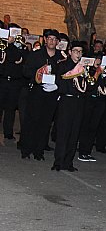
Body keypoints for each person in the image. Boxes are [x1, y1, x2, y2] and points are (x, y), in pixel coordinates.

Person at [21, 29, 64, 161]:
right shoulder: (36, 55)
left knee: (45, 123)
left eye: (54, 39)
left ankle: (39, 151)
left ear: (57, 42)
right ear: (45, 40)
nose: (51, 41)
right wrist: (38, 76)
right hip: (37, 92)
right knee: (31, 121)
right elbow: (26, 71)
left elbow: (64, 75)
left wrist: (56, 85)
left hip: (51, 94)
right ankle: (26, 150)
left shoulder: (61, 58)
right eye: (49, 38)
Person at [52, 41, 87, 172]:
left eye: (80, 51)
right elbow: (59, 82)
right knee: (63, 132)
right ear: (70, 52)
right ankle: (58, 162)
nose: (78, 54)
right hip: (66, 100)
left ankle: (68, 162)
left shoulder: (84, 67)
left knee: (74, 133)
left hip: (79, 102)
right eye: (76, 51)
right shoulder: (63, 65)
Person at [0, 29, 26, 141]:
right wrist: (8, 44)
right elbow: (9, 58)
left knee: (10, 109)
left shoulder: (21, 47)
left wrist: (16, 45)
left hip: (15, 82)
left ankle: (8, 132)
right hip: (3, 80)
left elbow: (19, 58)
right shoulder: (3, 46)